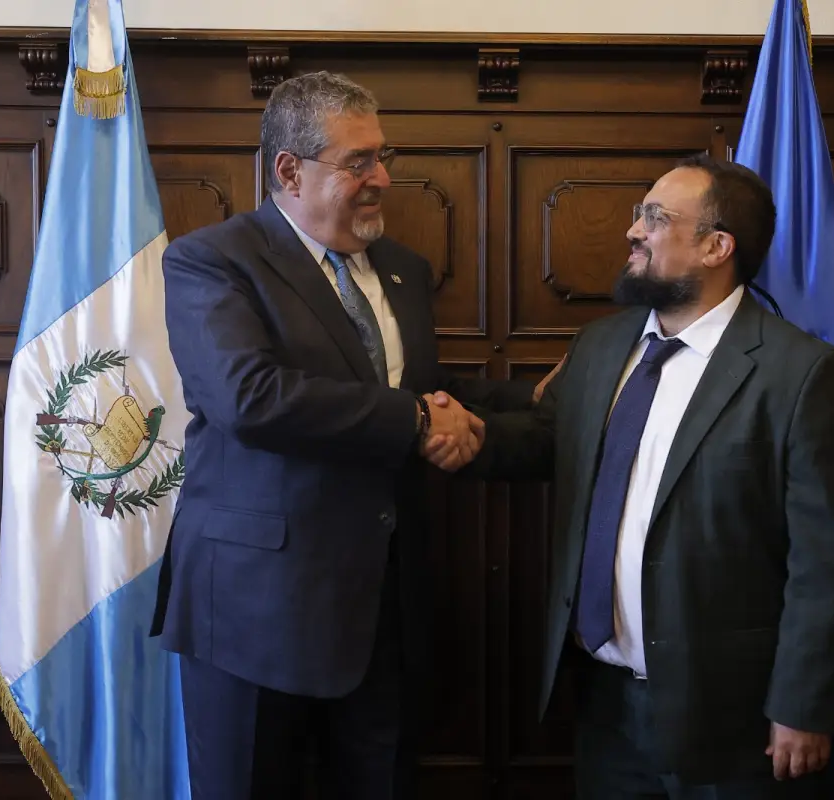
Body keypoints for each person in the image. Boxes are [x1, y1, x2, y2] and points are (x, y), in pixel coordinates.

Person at [149, 70, 543, 799]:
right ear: (289, 171)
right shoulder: (213, 260)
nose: (382, 178)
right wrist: (420, 422)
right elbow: (250, 397)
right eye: (358, 162)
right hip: (254, 609)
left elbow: (412, 387)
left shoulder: (402, 270)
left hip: (383, 607)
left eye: (382, 156)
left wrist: (535, 397)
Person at [430, 154, 834, 799]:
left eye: (656, 218)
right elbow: (548, 440)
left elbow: (827, 561)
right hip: (604, 703)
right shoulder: (604, 344)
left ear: (717, 246)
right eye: (641, 214)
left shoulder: (801, 374)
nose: (632, 231)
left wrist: (802, 706)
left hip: (732, 716)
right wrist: (462, 436)